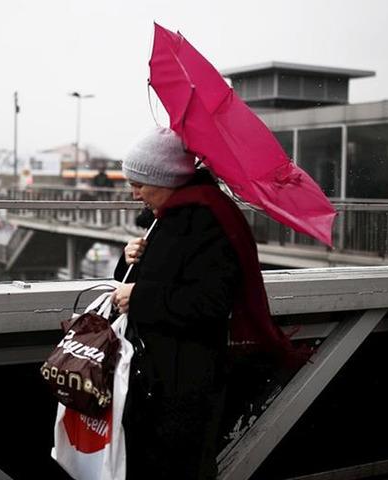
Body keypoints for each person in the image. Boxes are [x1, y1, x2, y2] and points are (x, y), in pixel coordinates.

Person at [111, 127, 301, 479]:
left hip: (185, 385)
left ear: (165, 178)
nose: (133, 192)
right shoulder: (167, 218)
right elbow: (153, 278)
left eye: (139, 183)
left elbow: (210, 302)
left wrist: (139, 297)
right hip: (154, 377)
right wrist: (128, 259)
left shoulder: (207, 220)